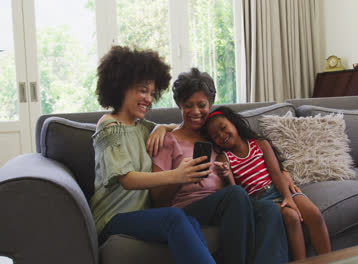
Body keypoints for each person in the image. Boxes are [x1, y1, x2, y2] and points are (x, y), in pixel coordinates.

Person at [90, 46, 215, 264]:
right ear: (121, 87)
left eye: (151, 92)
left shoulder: (142, 127)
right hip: (112, 218)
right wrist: (178, 175)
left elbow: (176, 126)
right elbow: (127, 179)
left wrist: (162, 127)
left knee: (190, 221)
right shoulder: (108, 126)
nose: (148, 99)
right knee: (174, 217)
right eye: (142, 90)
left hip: (142, 216)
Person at [151, 68, 288, 264]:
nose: (196, 112)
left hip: (228, 206)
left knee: (269, 209)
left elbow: (254, 156)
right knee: (235, 194)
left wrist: (285, 174)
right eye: (188, 105)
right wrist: (180, 177)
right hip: (188, 209)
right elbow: (157, 200)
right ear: (179, 105)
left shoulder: (216, 136)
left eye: (202, 105)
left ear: (211, 104)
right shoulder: (169, 141)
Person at [202, 106, 332, 261]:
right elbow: (234, 193)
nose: (222, 135)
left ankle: (330, 260)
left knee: (314, 214)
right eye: (215, 136)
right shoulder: (224, 158)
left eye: (223, 128)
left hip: (280, 188)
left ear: (234, 123)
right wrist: (226, 175)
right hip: (260, 200)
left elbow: (276, 174)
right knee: (291, 217)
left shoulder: (260, 143)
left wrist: (287, 197)